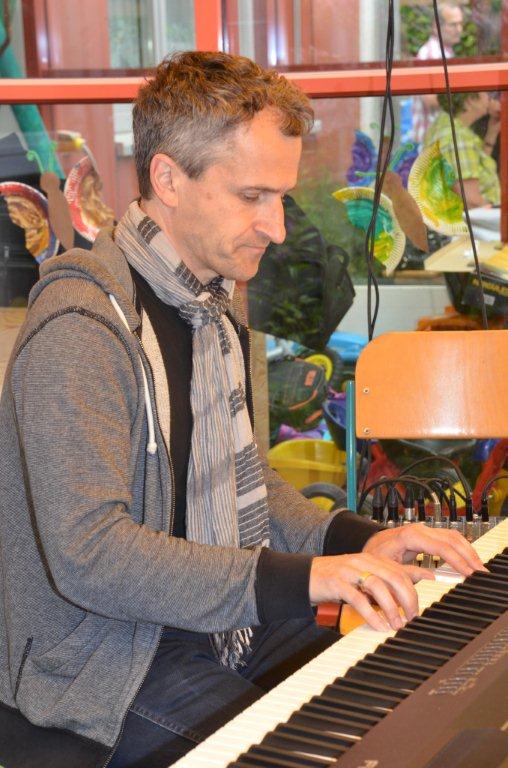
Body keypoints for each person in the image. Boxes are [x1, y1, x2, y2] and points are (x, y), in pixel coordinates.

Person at [0, 51, 486, 768]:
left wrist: (354, 540)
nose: (277, 226)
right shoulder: (82, 330)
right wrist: (308, 577)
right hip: (101, 660)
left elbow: (245, 477)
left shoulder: (210, 307)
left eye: (280, 196)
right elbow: (91, 557)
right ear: (168, 178)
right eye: (253, 195)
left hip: (208, 629)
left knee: (406, 672)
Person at [423, 91, 500, 208]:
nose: (490, 98)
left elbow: (474, 166)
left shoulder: (444, 124)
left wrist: (491, 134)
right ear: (470, 100)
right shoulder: (457, 137)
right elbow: (470, 200)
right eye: (486, 93)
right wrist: (499, 212)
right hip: (478, 218)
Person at [412, 2, 464, 145]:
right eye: (453, 25)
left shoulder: (445, 51)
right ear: (436, 26)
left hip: (439, 138)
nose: (459, 29)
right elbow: (430, 98)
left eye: (461, 24)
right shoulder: (432, 54)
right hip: (432, 141)